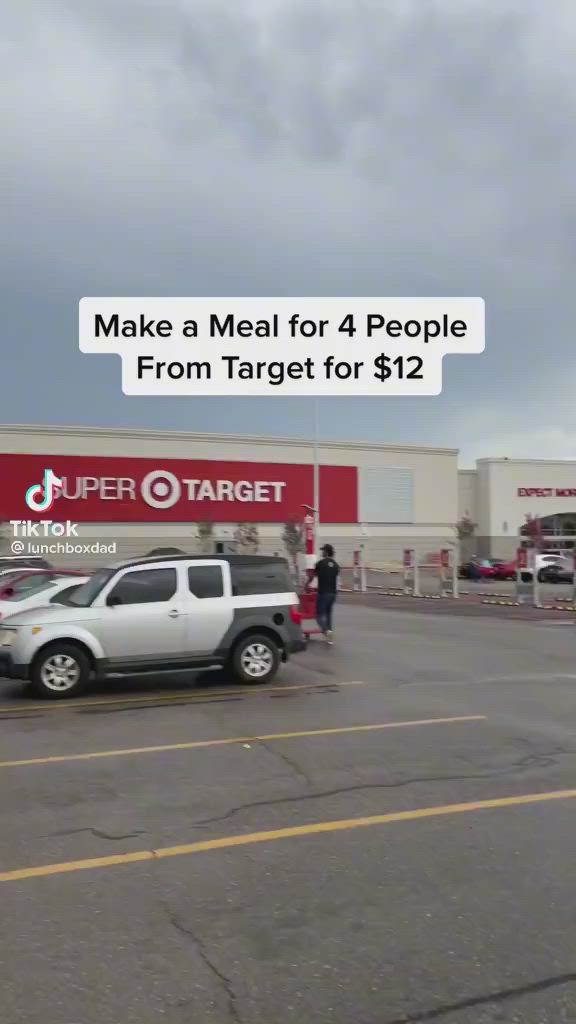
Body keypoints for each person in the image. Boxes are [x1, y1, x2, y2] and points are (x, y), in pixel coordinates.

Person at [310, 543, 340, 644]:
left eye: (323, 550)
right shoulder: (336, 565)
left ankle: (326, 631)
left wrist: (307, 584)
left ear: (326, 552)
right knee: (328, 614)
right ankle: (329, 636)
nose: (322, 552)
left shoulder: (321, 563)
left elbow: (313, 575)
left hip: (323, 593)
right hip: (333, 593)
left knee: (318, 616)